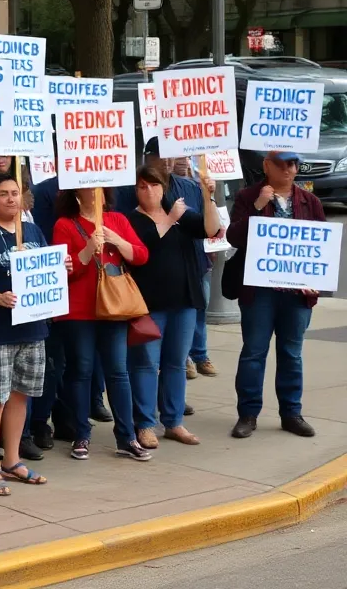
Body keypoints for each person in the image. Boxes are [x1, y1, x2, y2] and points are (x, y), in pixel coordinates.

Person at [0, 173, 64, 496]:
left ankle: (12, 459)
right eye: (3, 194)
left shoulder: (33, 230)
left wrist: (59, 267)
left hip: (33, 326)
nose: (11, 199)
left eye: (15, 193)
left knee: (21, 394)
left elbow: (45, 267)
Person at [223, 151, 323, 440]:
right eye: (282, 164)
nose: (289, 170)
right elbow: (234, 238)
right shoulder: (247, 197)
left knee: (292, 354)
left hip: (296, 293)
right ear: (267, 166)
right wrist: (257, 207)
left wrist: (315, 281)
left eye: (293, 164)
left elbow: (319, 248)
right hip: (259, 292)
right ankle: (248, 414)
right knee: (254, 352)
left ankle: (291, 413)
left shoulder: (309, 202)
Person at [51, 187, 151, 462]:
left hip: (113, 308)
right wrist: (86, 251)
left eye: (101, 189)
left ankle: (127, 437)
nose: (96, 193)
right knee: (81, 371)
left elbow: (141, 256)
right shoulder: (64, 224)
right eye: (90, 189)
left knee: (118, 372)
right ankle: (81, 433)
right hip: (79, 311)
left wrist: (117, 240)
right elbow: (63, 272)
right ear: (76, 195)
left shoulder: (117, 219)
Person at [127, 166, 221, 447]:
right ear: (136, 190)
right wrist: (169, 219)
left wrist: (208, 197)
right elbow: (142, 249)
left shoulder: (179, 213)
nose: (150, 191)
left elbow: (210, 228)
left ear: (164, 188)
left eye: (155, 185)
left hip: (184, 301)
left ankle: (174, 422)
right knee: (146, 364)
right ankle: (144, 424)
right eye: (143, 186)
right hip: (150, 305)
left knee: (176, 364)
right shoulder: (133, 220)